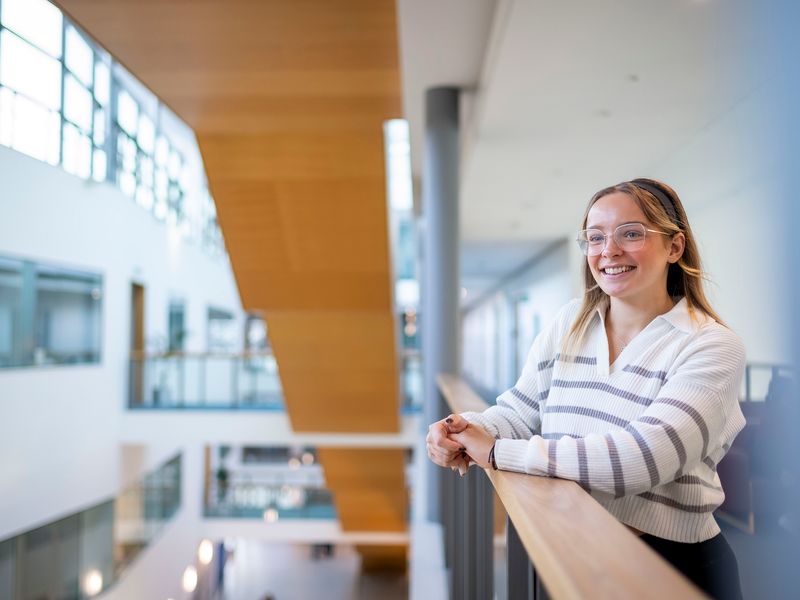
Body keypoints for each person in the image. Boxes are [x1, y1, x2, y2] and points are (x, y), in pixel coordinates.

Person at [427, 179, 745, 599]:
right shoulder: (571, 322)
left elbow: (642, 460)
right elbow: (520, 412)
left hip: (667, 566)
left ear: (675, 247)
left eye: (631, 233)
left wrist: (496, 453)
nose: (608, 251)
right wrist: (463, 428)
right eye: (595, 237)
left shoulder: (711, 345)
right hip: (565, 543)